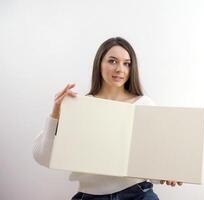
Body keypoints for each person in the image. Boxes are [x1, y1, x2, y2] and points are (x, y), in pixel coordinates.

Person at [32, 37, 183, 200]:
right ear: (99, 64)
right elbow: (44, 158)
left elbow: (151, 158)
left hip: (137, 193)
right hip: (90, 196)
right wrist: (56, 113)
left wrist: (167, 173)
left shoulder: (144, 104)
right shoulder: (81, 106)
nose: (120, 69)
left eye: (127, 63)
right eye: (112, 61)